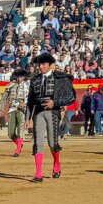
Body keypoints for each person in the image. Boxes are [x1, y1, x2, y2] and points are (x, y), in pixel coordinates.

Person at [26, 53, 75, 182]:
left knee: (53, 143)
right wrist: (27, 118)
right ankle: (38, 174)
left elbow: (71, 97)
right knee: (38, 142)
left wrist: (55, 102)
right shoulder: (35, 80)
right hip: (38, 113)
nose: (40, 67)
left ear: (50, 65)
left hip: (53, 112)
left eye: (43, 64)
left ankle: (57, 163)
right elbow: (30, 101)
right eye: (39, 64)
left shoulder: (60, 78)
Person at [0, 68, 30, 157]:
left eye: (21, 76)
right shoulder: (10, 86)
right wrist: (1, 109)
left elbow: (31, 98)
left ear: (24, 77)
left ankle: (18, 150)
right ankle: (20, 144)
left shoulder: (28, 86)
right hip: (12, 109)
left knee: (20, 131)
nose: (19, 78)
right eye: (18, 76)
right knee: (11, 133)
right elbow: (4, 98)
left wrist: (24, 103)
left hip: (22, 111)